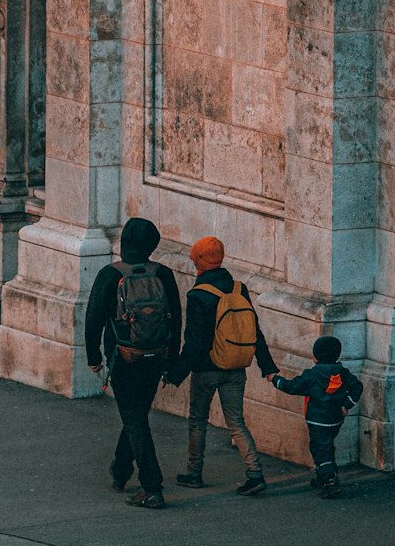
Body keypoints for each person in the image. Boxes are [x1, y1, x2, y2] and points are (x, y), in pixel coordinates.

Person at [164, 236, 277, 496]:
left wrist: (175, 373)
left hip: (207, 368)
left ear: (198, 262)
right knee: (236, 422)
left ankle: (194, 473)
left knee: (198, 421)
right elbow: (254, 331)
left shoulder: (198, 295)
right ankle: (255, 473)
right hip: (236, 367)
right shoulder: (239, 289)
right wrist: (267, 365)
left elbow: (194, 342)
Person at [84, 218, 182, 510]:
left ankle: (151, 486)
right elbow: (175, 319)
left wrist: (94, 357)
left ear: (124, 242)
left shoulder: (109, 275)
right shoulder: (163, 274)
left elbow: (93, 320)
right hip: (156, 357)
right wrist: (171, 359)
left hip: (124, 357)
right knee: (136, 414)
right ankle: (121, 469)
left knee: (135, 418)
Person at [272, 336, 363, 498]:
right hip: (335, 419)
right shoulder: (342, 373)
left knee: (319, 449)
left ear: (316, 356)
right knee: (327, 446)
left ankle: (329, 481)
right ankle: (324, 475)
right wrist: (346, 404)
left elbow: (292, 387)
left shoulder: (312, 375)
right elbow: (357, 387)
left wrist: (275, 379)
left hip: (317, 420)